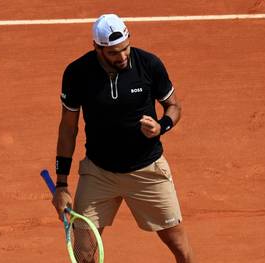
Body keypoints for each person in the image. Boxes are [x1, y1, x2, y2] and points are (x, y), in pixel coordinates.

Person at [52, 13, 195, 263]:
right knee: (84, 254)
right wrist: (61, 184)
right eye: (114, 53)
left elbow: (174, 105)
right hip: (99, 173)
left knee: (180, 247)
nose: (123, 56)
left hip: (148, 170)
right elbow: (68, 128)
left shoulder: (149, 64)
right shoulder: (77, 73)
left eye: (126, 48)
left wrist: (162, 126)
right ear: (97, 48)